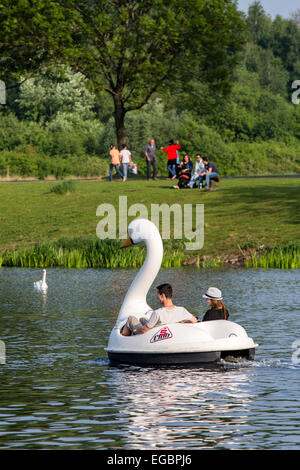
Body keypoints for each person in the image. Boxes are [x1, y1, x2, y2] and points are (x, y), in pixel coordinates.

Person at [121, 283, 198, 336]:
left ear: (163, 295)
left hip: (152, 333)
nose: (157, 297)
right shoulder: (182, 310)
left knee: (131, 319)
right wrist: (181, 321)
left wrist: (135, 330)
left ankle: (124, 339)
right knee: (142, 319)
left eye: (158, 295)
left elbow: (144, 330)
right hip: (166, 330)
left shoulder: (158, 313)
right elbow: (194, 321)